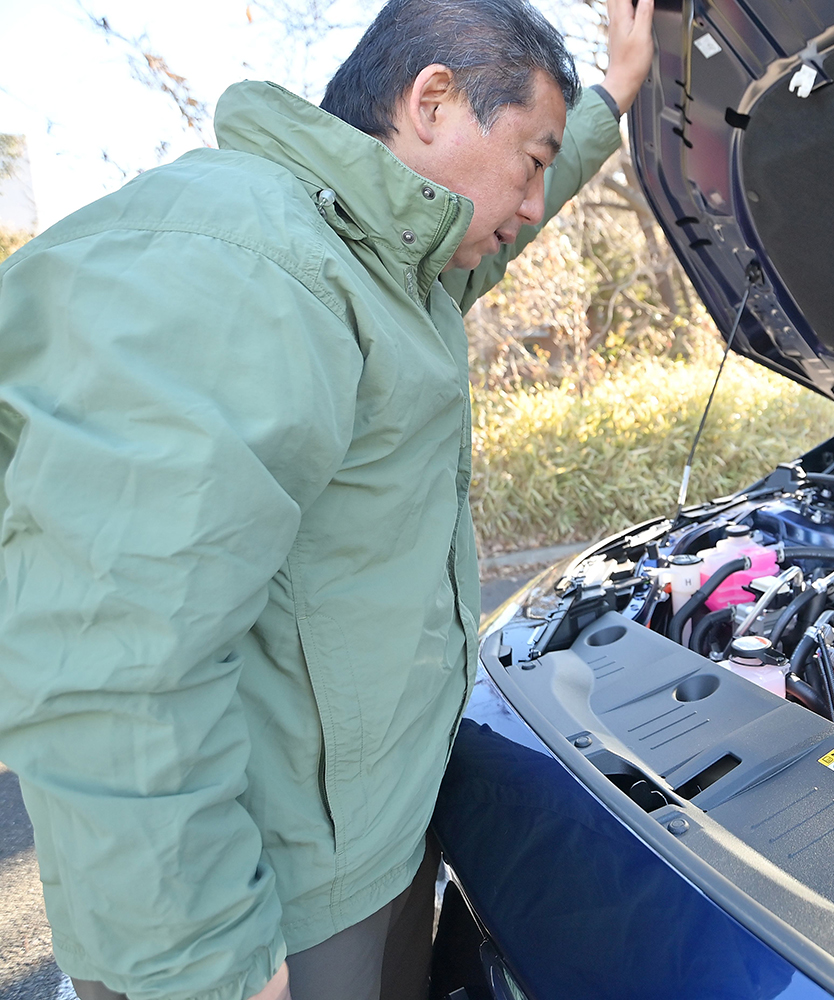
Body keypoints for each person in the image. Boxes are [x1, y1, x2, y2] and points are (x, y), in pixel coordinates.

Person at [0, 0, 654, 996]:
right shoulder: (249, 262)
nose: (530, 205)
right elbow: (115, 657)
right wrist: (200, 959)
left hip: (366, 842)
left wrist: (615, 94)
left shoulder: (378, 263)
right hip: (273, 906)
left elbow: (497, 226)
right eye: (530, 160)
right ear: (433, 100)